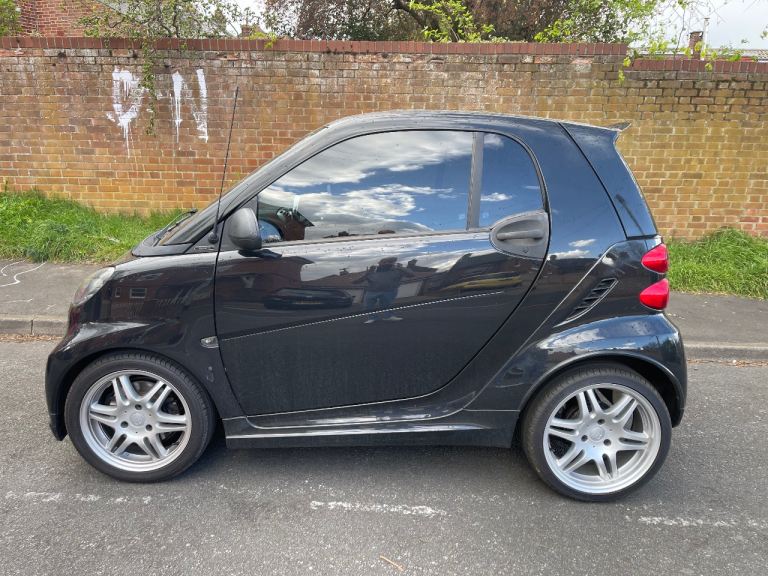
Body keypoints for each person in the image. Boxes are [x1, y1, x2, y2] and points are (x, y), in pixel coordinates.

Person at [354, 257, 414, 323]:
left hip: (389, 291)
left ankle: (388, 316)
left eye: (390, 262)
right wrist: (367, 273)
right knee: (368, 305)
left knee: (387, 305)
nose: (387, 264)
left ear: (393, 263)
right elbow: (356, 281)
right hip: (372, 291)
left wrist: (401, 267)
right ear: (380, 263)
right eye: (385, 262)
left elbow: (411, 275)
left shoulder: (397, 270)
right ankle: (372, 318)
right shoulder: (373, 271)